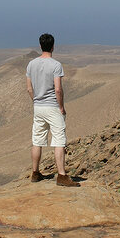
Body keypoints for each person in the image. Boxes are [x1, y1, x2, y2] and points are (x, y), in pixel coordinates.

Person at [25, 33, 78, 187]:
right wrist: (61, 107)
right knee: (59, 141)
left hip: (38, 106)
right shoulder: (56, 65)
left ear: (40, 46)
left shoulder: (31, 64)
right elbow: (58, 89)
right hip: (52, 107)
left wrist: (36, 101)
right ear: (53, 46)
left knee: (37, 140)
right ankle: (61, 175)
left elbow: (29, 88)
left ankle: (35, 173)